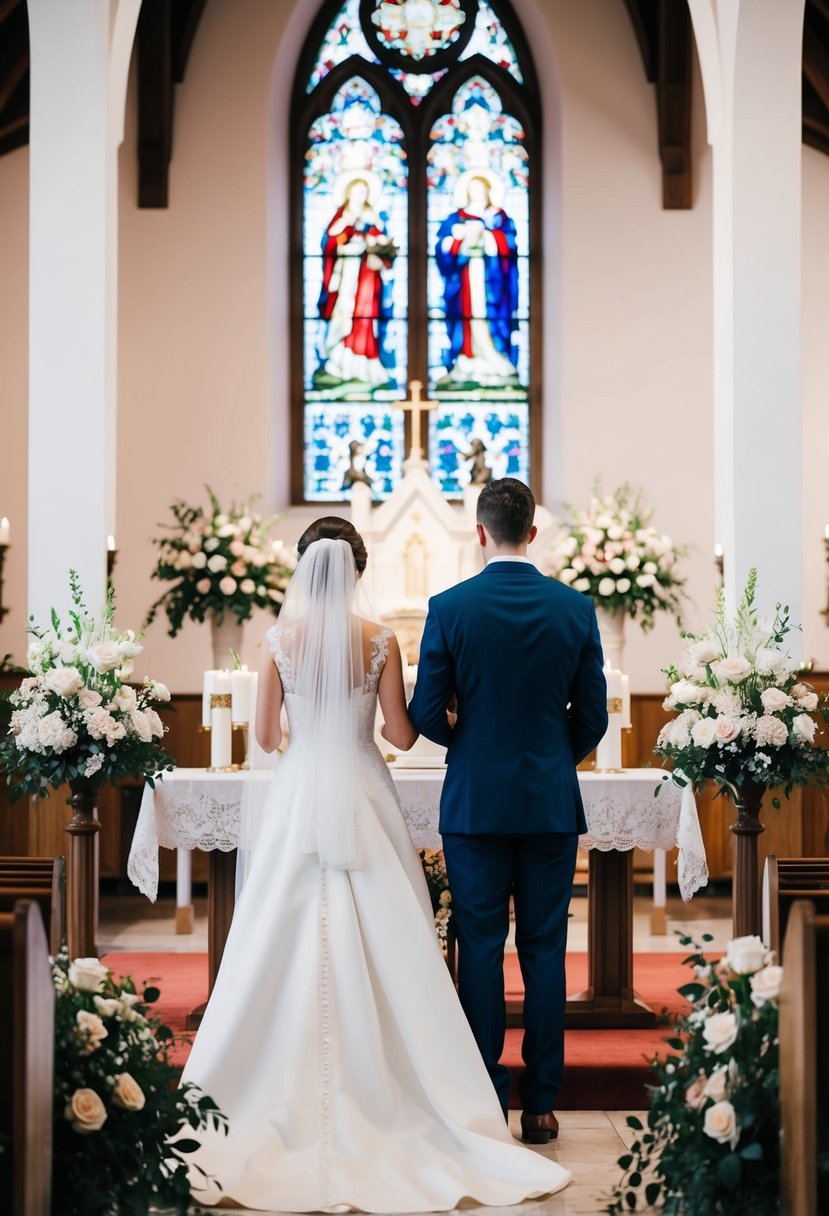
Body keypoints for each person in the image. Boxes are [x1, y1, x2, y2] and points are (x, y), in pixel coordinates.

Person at [179, 516, 571, 1212]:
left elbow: (267, 738)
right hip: (363, 791)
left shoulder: (276, 642)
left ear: (302, 570)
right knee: (393, 932)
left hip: (302, 794)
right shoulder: (381, 639)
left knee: (279, 930)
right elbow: (398, 731)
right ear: (359, 571)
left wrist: (306, 726)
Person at [408, 478, 608, 1143]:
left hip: (473, 804)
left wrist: (467, 743)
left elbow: (423, 712)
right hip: (549, 802)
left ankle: (486, 1095)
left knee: (483, 948)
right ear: (533, 531)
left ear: (479, 532)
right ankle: (542, 1103)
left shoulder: (449, 606)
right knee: (545, 950)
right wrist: (554, 754)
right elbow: (594, 718)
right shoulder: (574, 608)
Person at [435, 170, 521, 389]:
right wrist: (460, 239)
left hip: (491, 281)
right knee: (465, 317)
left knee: (490, 316)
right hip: (464, 279)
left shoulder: (499, 217)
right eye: (472, 189)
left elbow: (509, 246)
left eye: (480, 188)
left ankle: (493, 357)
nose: (476, 193)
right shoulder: (456, 218)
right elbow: (442, 248)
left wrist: (487, 236)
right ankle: (466, 360)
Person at [314, 174, 397, 390]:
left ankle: (365, 367)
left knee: (366, 317)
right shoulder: (341, 217)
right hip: (347, 276)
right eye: (357, 190)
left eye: (365, 191)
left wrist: (376, 243)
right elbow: (330, 243)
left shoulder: (373, 216)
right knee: (345, 315)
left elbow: (383, 241)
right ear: (348, 192)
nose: (362, 195)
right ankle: (341, 364)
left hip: (368, 275)